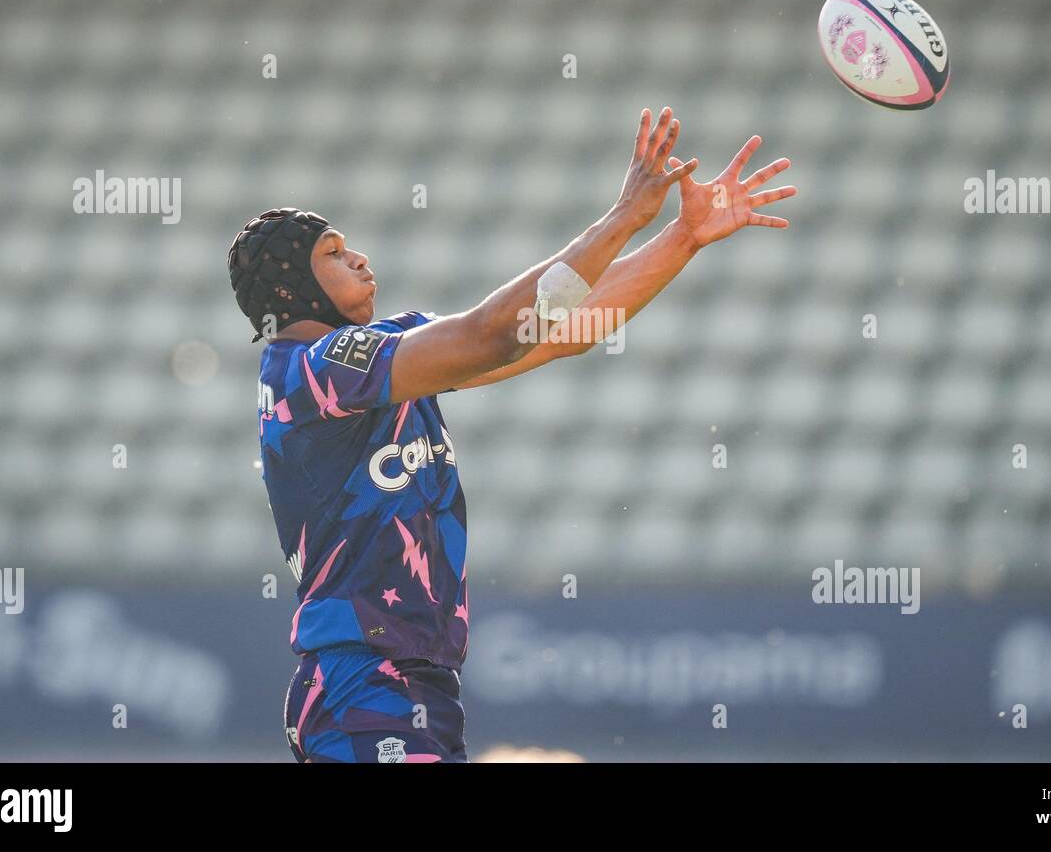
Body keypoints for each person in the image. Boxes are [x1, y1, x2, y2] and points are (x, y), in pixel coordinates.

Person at [226, 108, 795, 762]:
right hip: (363, 681)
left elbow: (553, 334)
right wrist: (621, 218)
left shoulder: (376, 360)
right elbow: (491, 334)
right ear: (288, 286)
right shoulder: (313, 371)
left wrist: (681, 239)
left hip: (408, 681)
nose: (357, 255)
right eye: (331, 251)